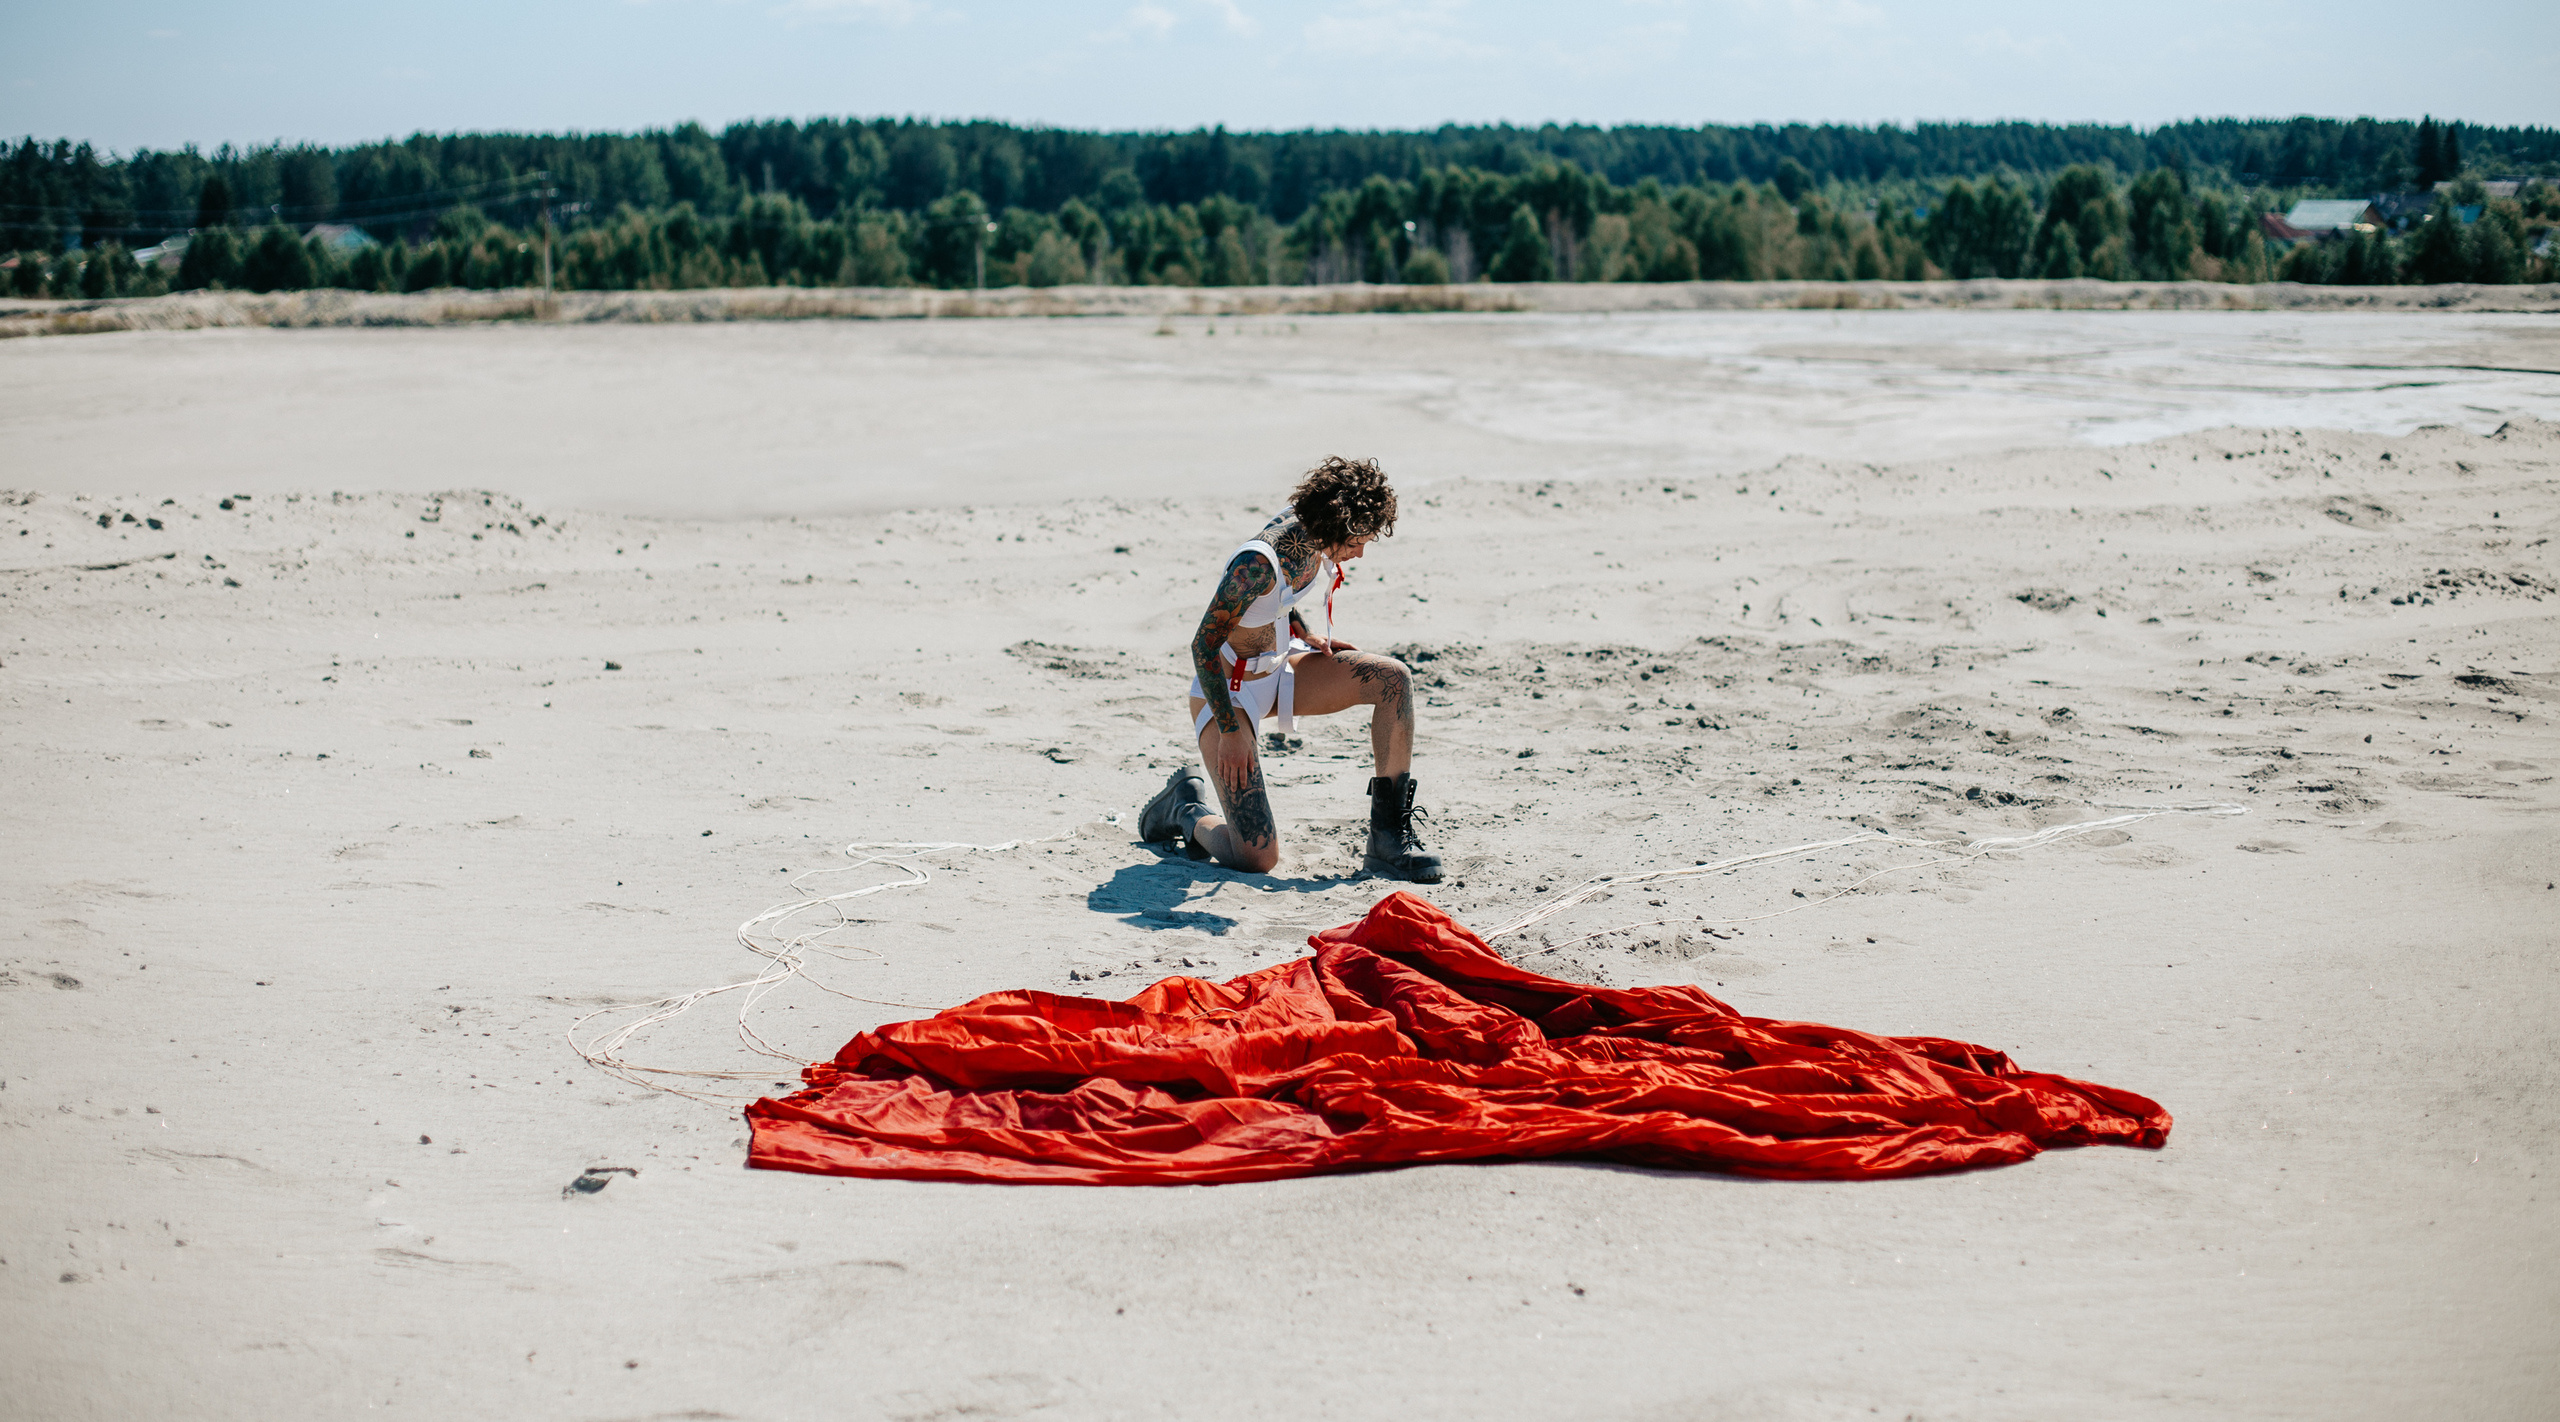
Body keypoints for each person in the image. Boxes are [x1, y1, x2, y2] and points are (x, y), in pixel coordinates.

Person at [1138, 456, 1442, 882]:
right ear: (1337, 522)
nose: (1359, 553)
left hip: (1283, 668)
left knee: (1393, 680)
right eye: (1358, 541)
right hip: (1230, 691)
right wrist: (1230, 732)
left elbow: (1279, 600)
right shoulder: (1255, 565)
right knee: (1256, 858)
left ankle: (1388, 840)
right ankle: (1186, 810)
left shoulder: (1310, 531)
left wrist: (1307, 632)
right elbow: (1203, 644)